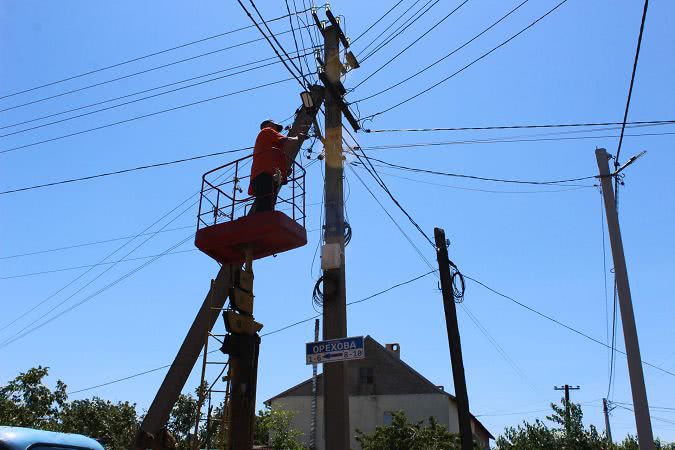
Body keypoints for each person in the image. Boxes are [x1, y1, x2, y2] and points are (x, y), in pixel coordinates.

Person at [248, 119, 302, 212]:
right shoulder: (267, 130)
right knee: (267, 203)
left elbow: (274, 158)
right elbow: (285, 140)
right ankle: (263, 221)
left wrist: (284, 171)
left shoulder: (269, 143)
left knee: (267, 202)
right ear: (268, 125)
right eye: (275, 127)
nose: (276, 130)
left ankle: (261, 222)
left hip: (263, 174)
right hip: (264, 174)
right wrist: (298, 138)